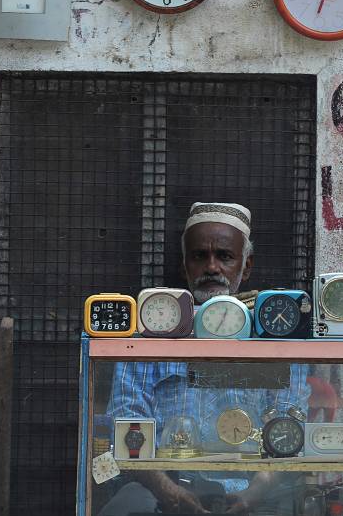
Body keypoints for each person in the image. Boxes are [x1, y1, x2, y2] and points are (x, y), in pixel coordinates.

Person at [101, 202, 310, 515]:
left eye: (224, 256)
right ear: (186, 266)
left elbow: (290, 426)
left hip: (255, 491)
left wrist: (253, 495)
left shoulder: (276, 338)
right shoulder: (146, 341)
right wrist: (168, 492)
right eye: (200, 256)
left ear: (247, 265)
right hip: (163, 489)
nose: (212, 267)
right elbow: (124, 421)